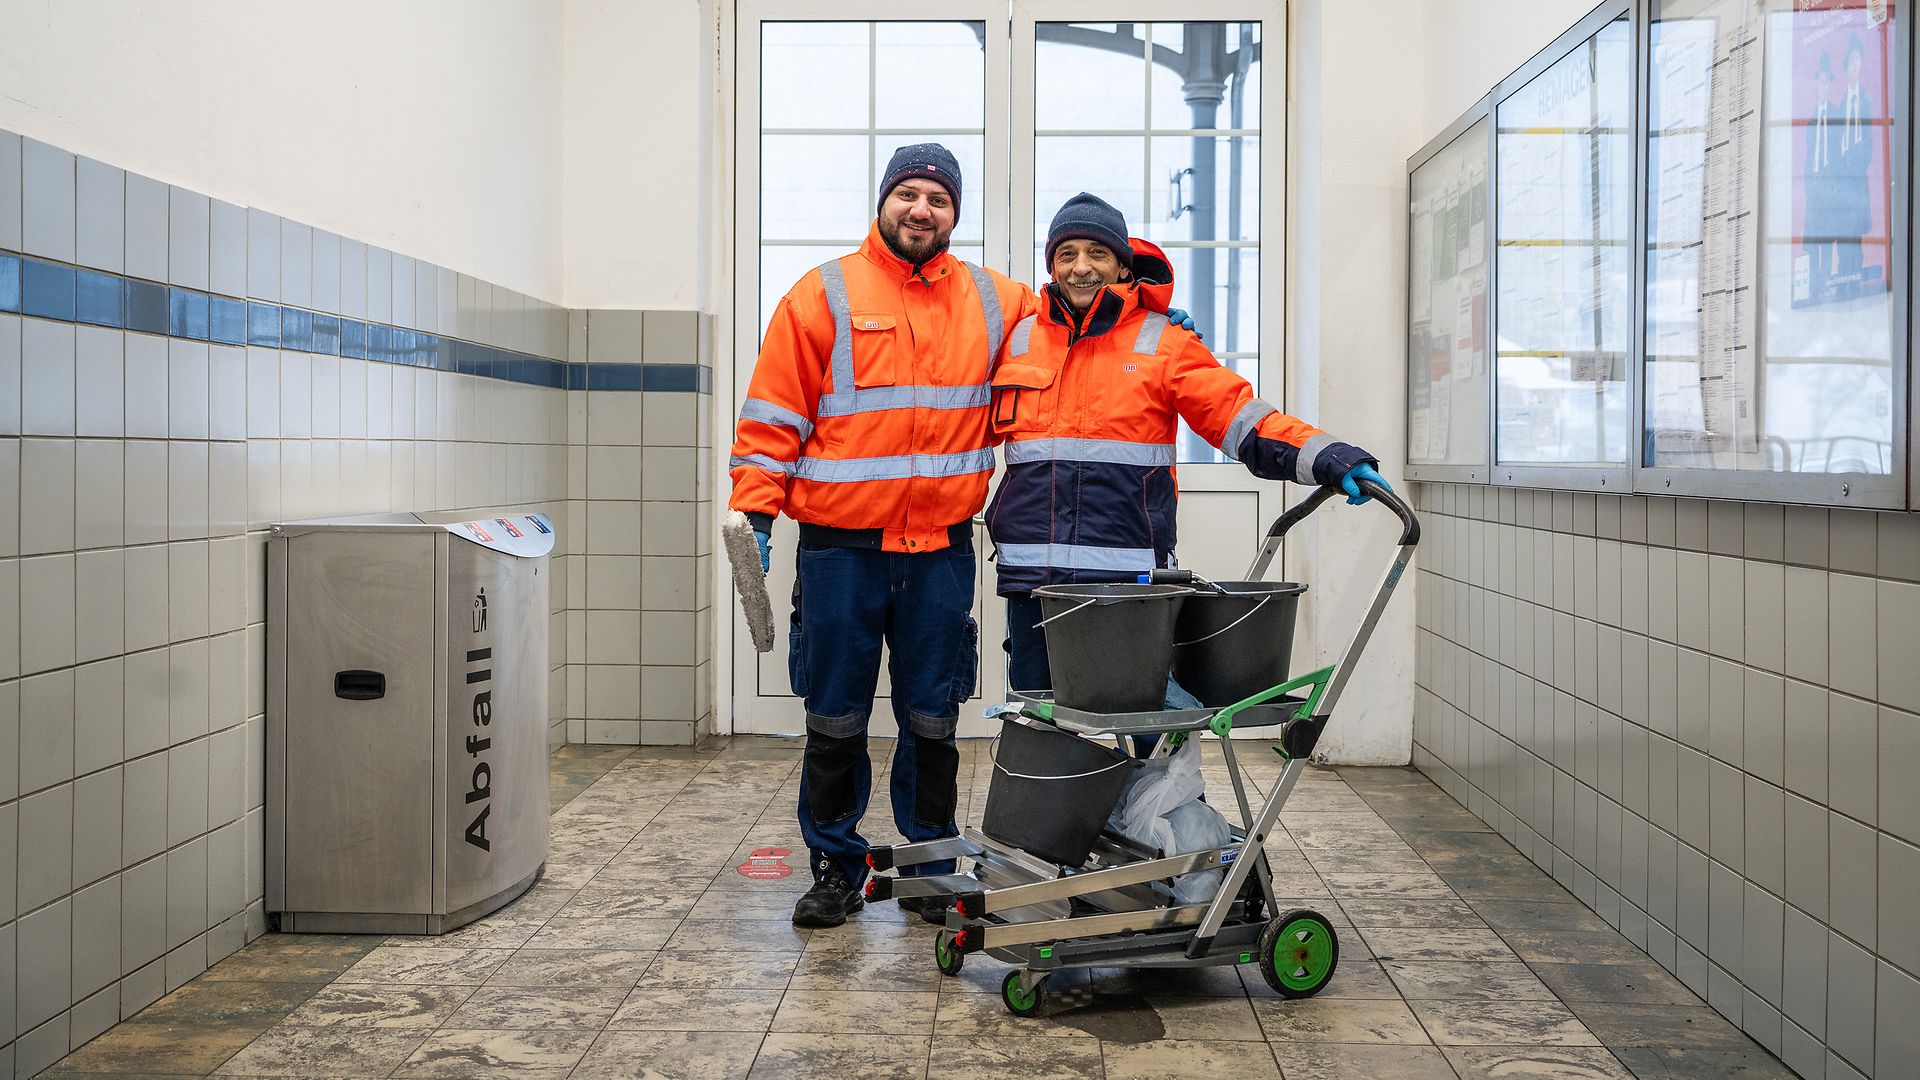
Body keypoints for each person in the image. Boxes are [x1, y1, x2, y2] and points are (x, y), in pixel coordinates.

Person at [727, 149, 1204, 927]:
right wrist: (755, 512)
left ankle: (931, 865)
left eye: (939, 200)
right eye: (908, 195)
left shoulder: (997, 301)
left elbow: (1074, 320)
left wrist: (1148, 320)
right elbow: (773, 415)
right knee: (835, 714)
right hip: (840, 548)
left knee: (932, 714)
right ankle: (835, 865)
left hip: (941, 550)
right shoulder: (823, 295)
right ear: (883, 201)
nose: (922, 210)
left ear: (955, 214)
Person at [988, 192, 1389, 706]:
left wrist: (1330, 457)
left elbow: (1240, 418)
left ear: (1121, 266)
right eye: (1067, 254)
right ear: (1051, 265)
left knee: (1130, 724)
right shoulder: (1018, 338)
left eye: (1097, 253)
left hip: (1127, 584)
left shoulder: (1165, 341)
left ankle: (1141, 790)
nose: (1081, 267)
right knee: (1040, 718)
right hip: (1032, 584)